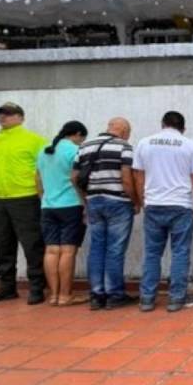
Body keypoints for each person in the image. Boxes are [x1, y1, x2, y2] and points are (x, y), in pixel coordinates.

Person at [133, 111, 193, 313]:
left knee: (152, 253)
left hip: (154, 205)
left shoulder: (144, 143)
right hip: (180, 205)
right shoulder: (190, 145)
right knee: (180, 252)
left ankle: (147, 299)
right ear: (183, 128)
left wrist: (143, 201)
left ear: (162, 124)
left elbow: (138, 176)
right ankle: (177, 298)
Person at [0, 102, 48, 305]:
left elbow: (44, 169)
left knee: (32, 244)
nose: (3, 117)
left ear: (20, 117)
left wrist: (41, 194)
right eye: (0, 114)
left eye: (8, 114)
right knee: (2, 244)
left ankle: (37, 286)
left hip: (25, 198)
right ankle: (6, 287)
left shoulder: (35, 141)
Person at [74, 117, 139, 311]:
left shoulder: (85, 146)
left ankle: (96, 294)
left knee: (96, 248)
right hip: (118, 202)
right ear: (125, 131)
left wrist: (86, 199)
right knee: (115, 249)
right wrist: (135, 201)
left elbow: (75, 177)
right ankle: (114, 294)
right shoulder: (124, 147)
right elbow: (127, 178)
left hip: (94, 202)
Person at [37, 121, 88, 306]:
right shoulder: (74, 151)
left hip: (48, 206)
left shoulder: (43, 150)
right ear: (77, 134)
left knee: (51, 250)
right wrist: (85, 202)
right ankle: (66, 295)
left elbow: (37, 178)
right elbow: (78, 179)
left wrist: (44, 198)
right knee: (68, 251)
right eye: (82, 138)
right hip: (70, 204)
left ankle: (53, 295)